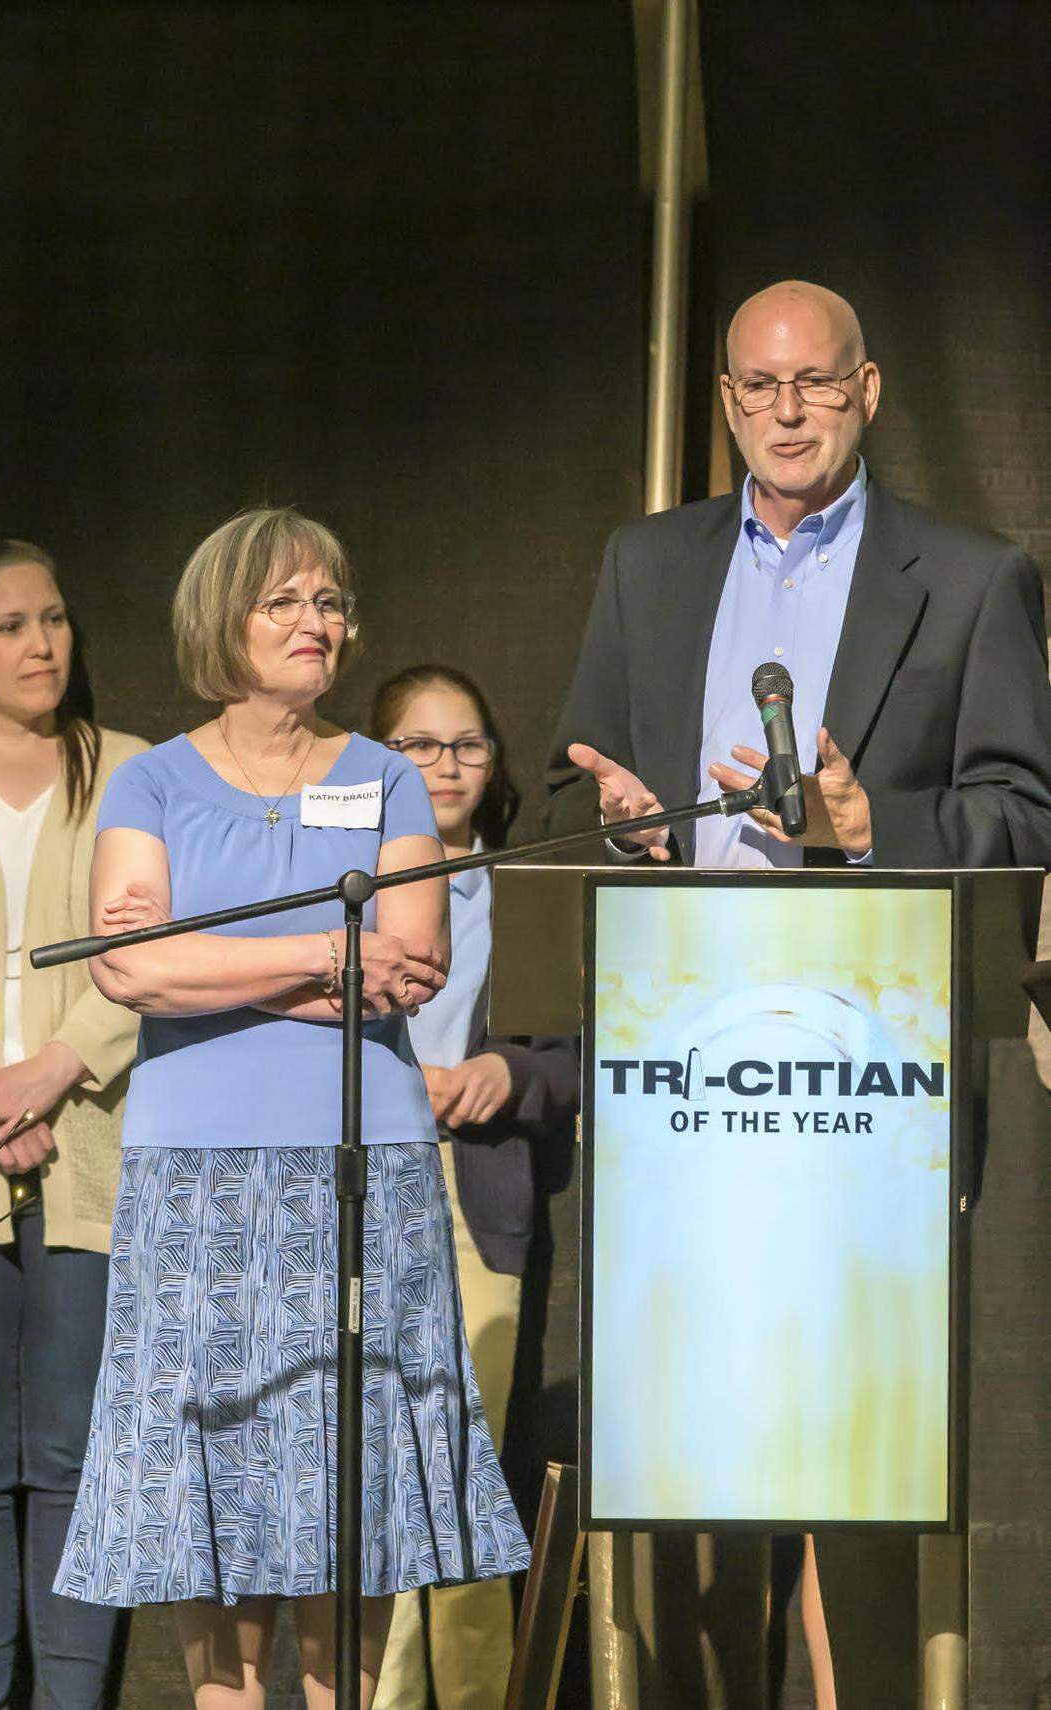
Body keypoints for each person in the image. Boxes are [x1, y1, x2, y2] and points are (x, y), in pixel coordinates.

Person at [546, 280, 1051, 1707]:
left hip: (864, 1063)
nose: (786, 411)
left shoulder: (968, 572)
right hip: (681, 1048)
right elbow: (568, 771)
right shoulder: (647, 564)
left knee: (853, 1430)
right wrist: (624, 815)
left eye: (815, 385)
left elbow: (1023, 814)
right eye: (760, 387)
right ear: (722, 398)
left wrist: (866, 830)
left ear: (870, 391)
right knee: (684, 1418)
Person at [52, 508, 531, 1710]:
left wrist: (224, 965)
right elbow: (128, 969)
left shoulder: (384, 779)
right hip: (193, 1171)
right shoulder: (148, 781)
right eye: (287, 604)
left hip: (357, 1161)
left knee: (347, 1447)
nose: (317, 625)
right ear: (225, 622)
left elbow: (409, 962)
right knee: (207, 1441)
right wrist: (329, 950)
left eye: (328, 603)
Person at [0, 540, 146, 1709]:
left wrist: (52, 1071)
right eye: (9, 625)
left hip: (91, 1145)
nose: (42, 644)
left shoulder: (135, 774)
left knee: (76, 1461)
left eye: (54, 619)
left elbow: (152, 951)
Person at [369, 665, 579, 1710]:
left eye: (468, 744)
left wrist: (512, 1071)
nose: (445, 765)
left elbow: (586, 1051)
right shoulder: (338, 881)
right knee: (365, 1476)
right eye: (418, 743)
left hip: (475, 1193)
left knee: (455, 1470)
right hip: (352, 1191)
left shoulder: (523, 882)